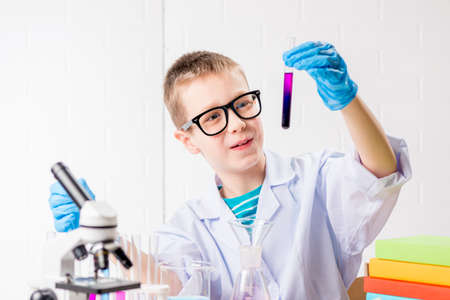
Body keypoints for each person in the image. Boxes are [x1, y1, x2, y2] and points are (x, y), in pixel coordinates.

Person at [49, 41, 412, 299]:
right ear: (188, 140)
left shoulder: (315, 181)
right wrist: (97, 231)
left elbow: (380, 170)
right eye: (212, 117)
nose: (237, 123)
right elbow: (166, 284)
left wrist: (346, 99)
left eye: (242, 104)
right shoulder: (189, 225)